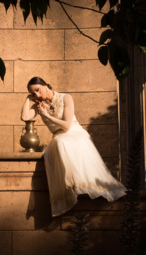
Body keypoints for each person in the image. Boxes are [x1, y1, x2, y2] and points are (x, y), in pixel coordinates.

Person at [21, 77, 127, 217]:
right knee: (59, 143)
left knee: (64, 143)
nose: (37, 95)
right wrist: (29, 98)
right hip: (59, 136)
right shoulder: (39, 104)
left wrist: (46, 115)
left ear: (45, 85)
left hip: (73, 131)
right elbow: (25, 117)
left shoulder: (66, 98)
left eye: (37, 90)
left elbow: (66, 126)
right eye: (33, 94)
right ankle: (70, 188)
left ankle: (83, 187)